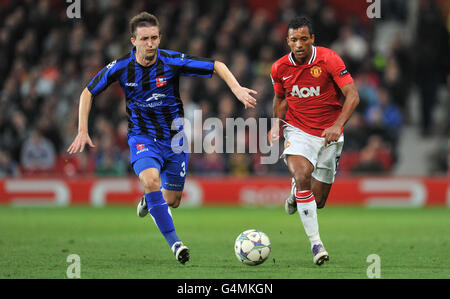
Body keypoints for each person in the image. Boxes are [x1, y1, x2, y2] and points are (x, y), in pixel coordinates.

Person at [67, 12, 257, 264]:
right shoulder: (121, 67)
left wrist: (236, 89)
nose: (150, 43)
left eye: (154, 37)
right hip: (142, 136)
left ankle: (150, 199)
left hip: (175, 140)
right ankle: (176, 244)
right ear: (133, 40)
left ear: (159, 38)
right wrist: (82, 129)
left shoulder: (171, 61)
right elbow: (87, 93)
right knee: (151, 178)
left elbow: (217, 65)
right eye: (144, 38)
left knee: (172, 201)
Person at [268, 16, 360, 265]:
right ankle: (316, 244)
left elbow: (352, 96)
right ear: (287, 41)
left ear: (312, 40)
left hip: (329, 133)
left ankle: (297, 194)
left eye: (303, 39)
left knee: (317, 202)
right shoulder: (279, 68)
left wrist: (337, 125)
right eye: (294, 39)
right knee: (301, 174)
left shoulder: (329, 59)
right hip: (297, 130)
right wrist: (276, 125)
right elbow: (279, 99)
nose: (299, 44)